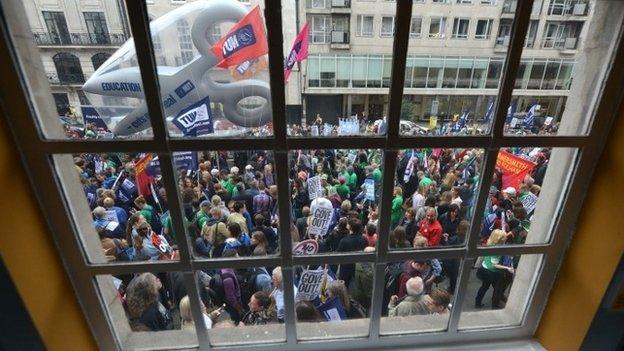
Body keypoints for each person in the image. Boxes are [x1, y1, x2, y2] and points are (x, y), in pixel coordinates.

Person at [475, 229, 514, 308]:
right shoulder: (497, 250)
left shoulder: (489, 243)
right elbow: (494, 264)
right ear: (500, 239)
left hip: (484, 269)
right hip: (492, 273)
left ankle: (477, 302)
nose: (505, 238)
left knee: (484, 287)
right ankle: (495, 304)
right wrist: (507, 268)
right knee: (497, 289)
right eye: (504, 237)